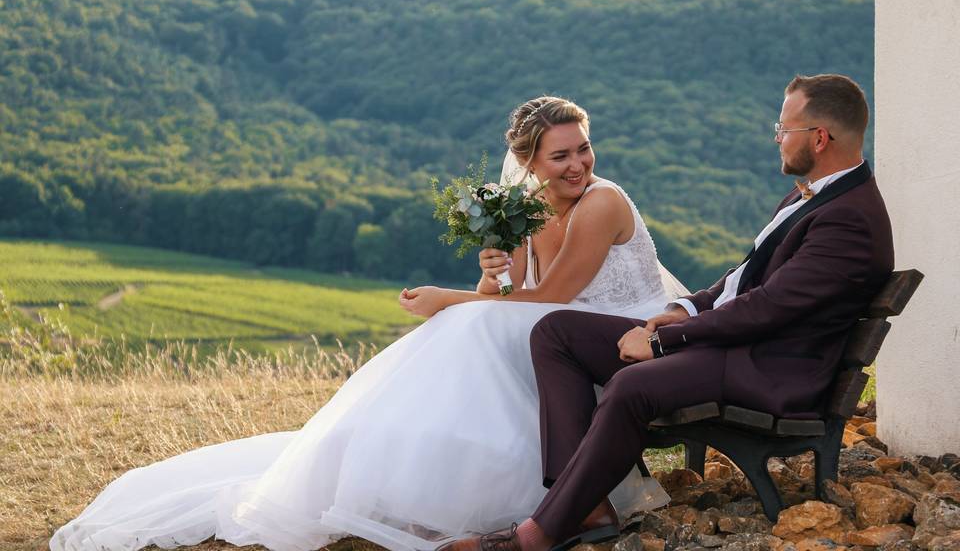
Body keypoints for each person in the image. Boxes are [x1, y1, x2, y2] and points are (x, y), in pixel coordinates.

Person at [51, 96, 680, 551]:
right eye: (561, 155)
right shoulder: (528, 207)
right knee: (469, 327)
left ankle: (494, 489)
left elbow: (560, 298)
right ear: (530, 165)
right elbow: (520, 292)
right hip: (558, 324)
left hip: (617, 323)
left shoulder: (604, 200)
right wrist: (488, 278)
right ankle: (415, 475)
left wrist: (450, 299)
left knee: (466, 327)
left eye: (585, 148)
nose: (579, 165)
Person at [440, 74, 895, 551]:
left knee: (631, 385)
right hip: (740, 348)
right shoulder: (816, 194)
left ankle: (539, 534)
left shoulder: (848, 218)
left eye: (783, 129)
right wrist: (682, 310)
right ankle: (586, 506)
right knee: (557, 332)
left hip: (770, 368)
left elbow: (770, 309)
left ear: (819, 139)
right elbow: (743, 279)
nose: (777, 138)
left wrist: (661, 342)